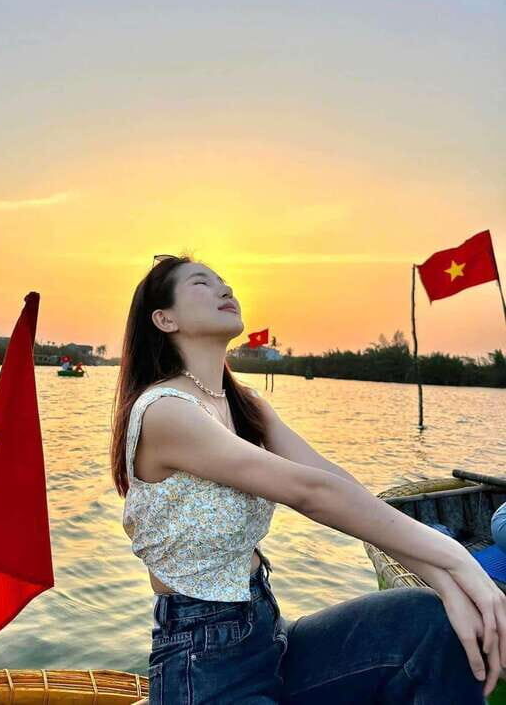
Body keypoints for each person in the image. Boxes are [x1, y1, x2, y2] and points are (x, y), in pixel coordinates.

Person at [110, 255, 506, 703]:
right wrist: (456, 557)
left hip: (270, 635)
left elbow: (334, 481)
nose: (226, 289)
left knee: (428, 623)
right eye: (203, 283)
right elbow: (311, 493)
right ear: (164, 318)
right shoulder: (166, 412)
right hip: (204, 665)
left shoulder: (245, 405)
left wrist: (446, 581)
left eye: (225, 282)